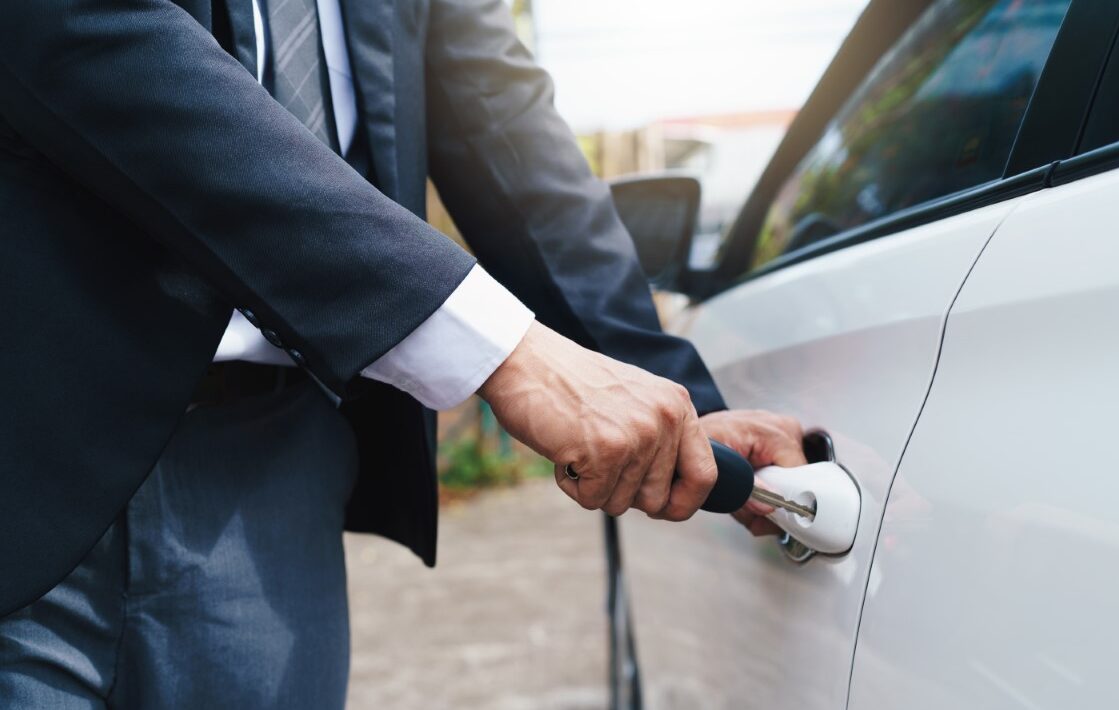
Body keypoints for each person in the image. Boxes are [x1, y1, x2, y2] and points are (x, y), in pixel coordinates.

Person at [0, 0, 805, 706]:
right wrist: (500, 349)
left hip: (274, 473)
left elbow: (502, 123)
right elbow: (75, 27)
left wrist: (683, 413)